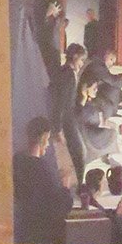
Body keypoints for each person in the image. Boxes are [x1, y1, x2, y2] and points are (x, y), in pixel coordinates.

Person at [12, 116, 73, 244]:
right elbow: (60, 207)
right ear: (44, 138)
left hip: (21, 232)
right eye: (48, 139)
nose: (48, 144)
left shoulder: (16, 161)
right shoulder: (43, 169)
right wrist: (65, 186)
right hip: (41, 236)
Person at [48, 44, 88, 183]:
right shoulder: (68, 74)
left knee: (78, 153)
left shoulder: (65, 72)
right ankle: (79, 185)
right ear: (75, 57)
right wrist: (58, 128)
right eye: (81, 60)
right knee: (79, 153)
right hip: (66, 122)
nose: (82, 64)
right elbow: (60, 103)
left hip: (67, 120)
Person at [81, 166, 122, 244]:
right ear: (99, 183)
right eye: (104, 181)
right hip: (102, 233)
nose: (106, 183)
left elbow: (102, 213)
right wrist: (118, 214)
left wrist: (116, 211)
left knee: (121, 219)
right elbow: (100, 219)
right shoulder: (88, 200)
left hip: (101, 226)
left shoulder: (89, 197)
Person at [74, 77, 120, 165]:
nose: (96, 90)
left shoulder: (94, 101)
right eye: (94, 88)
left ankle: (107, 156)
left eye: (96, 88)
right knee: (110, 133)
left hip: (94, 127)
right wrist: (84, 97)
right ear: (86, 89)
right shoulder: (80, 102)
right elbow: (79, 117)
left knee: (112, 128)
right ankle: (106, 156)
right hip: (86, 133)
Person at [30, 0, 66, 71]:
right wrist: (47, 13)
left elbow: (61, 19)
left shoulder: (57, 0)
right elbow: (36, 18)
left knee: (53, 66)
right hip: (41, 39)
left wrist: (57, 16)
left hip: (53, 39)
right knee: (40, 66)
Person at [83, 48, 122, 112]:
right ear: (106, 56)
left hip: (92, 94)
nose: (111, 64)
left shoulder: (100, 66)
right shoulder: (98, 66)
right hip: (86, 95)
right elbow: (112, 81)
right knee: (112, 87)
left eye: (113, 63)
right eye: (111, 59)